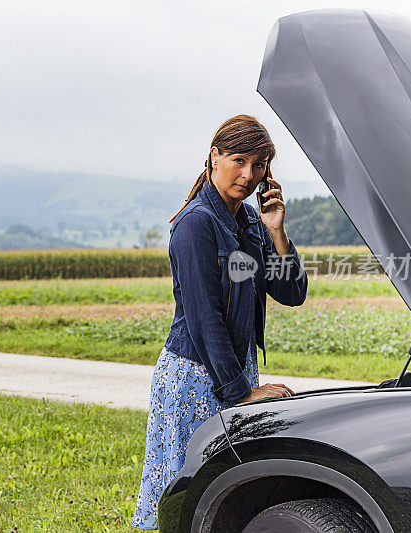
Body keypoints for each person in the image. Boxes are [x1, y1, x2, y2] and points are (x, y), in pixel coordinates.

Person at [131, 114, 308, 530]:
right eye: (239, 160)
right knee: (188, 498)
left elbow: (291, 292)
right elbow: (203, 317)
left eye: (259, 165)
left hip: (234, 370)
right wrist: (242, 392)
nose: (248, 175)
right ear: (215, 157)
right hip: (196, 376)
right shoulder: (195, 224)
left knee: (228, 494)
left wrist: (277, 232)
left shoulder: (250, 223)